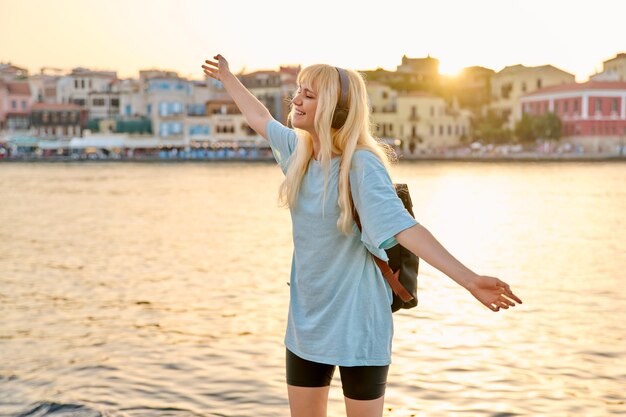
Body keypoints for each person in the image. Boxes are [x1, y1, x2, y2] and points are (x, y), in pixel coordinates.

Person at [202, 55, 523, 417]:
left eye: (309, 95)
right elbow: (260, 118)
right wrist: (227, 78)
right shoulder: (299, 154)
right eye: (299, 92)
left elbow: (404, 229)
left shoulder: (360, 165)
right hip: (307, 325)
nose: (297, 101)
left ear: (335, 112)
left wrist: (469, 280)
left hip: (359, 324)